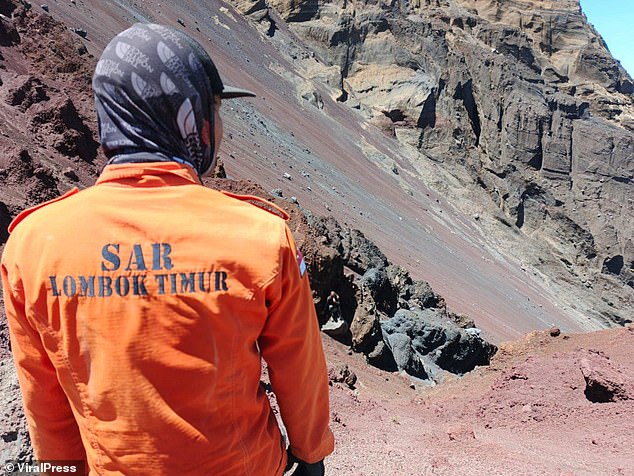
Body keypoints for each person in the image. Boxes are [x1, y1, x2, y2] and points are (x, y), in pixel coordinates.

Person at [1, 23, 334, 475]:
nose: (220, 129)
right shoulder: (259, 237)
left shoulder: (33, 244)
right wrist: (311, 457)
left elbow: (44, 394)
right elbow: (299, 369)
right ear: (190, 118)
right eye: (214, 109)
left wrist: (62, 469)